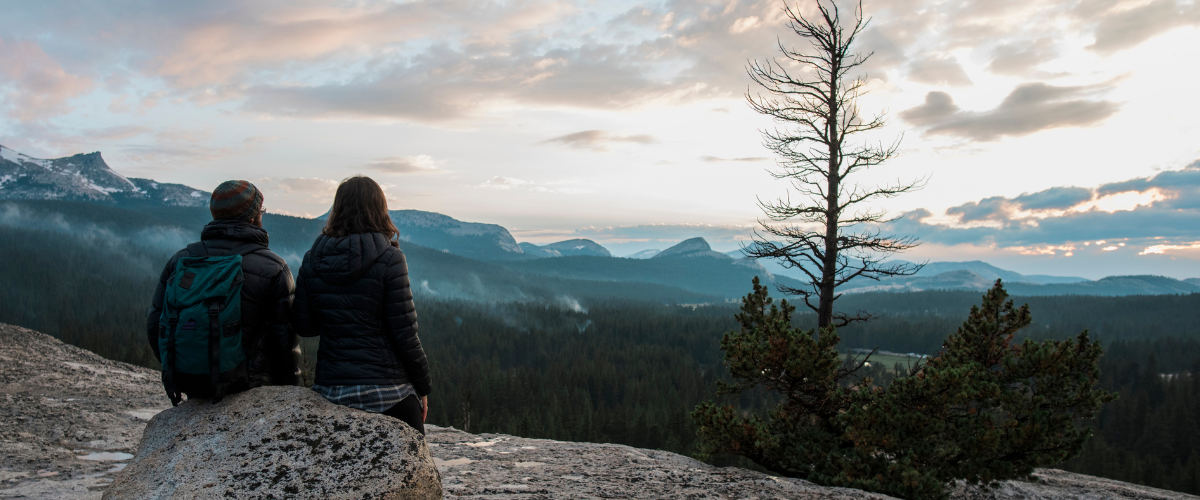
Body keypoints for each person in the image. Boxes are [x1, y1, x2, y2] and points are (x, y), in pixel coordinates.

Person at [292, 176, 431, 434]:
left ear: (337, 210)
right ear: (379, 210)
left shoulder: (311, 259)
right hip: (388, 392)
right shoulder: (390, 258)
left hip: (330, 391)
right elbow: (406, 335)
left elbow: (305, 325)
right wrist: (422, 388)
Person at [146, 180, 300, 403]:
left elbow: (155, 324)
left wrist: (190, 370)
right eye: (261, 210)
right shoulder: (273, 268)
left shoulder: (180, 261)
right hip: (251, 390)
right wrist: (289, 393)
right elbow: (284, 344)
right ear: (253, 215)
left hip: (192, 385)